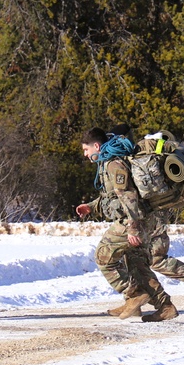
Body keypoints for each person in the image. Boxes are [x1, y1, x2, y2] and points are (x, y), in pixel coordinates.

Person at [107, 123, 184, 314]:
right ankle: (134, 302)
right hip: (145, 215)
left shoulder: (133, 155)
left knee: (155, 259)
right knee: (132, 257)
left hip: (152, 215)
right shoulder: (129, 155)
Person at [75, 127, 176, 322]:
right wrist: (90, 207)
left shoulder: (113, 163)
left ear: (96, 146)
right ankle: (165, 307)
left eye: (86, 150)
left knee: (103, 256)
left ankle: (133, 295)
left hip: (134, 220)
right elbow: (111, 198)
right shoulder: (109, 162)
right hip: (141, 218)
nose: (86, 155)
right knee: (136, 264)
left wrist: (133, 228)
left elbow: (128, 196)